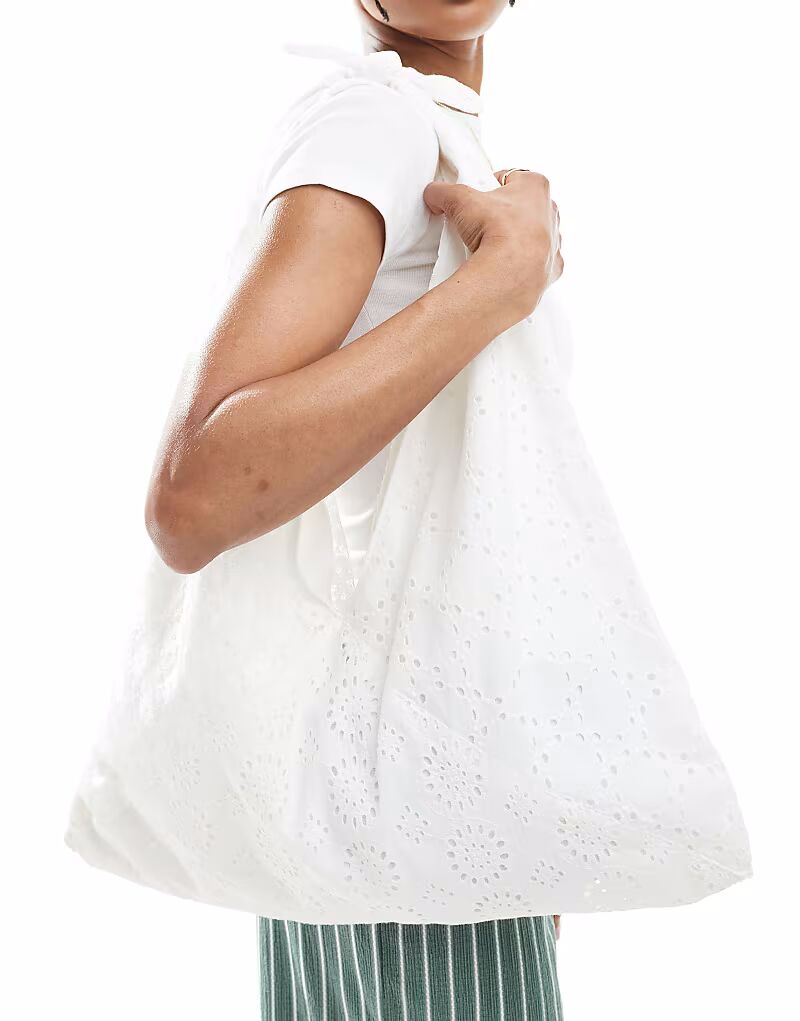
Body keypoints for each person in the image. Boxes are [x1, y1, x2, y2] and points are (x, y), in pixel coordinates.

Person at [144, 1, 565, 1016]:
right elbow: (197, 494)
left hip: (415, 777)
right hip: (406, 787)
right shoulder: (374, 123)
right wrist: (500, 283)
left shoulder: (430, 132)